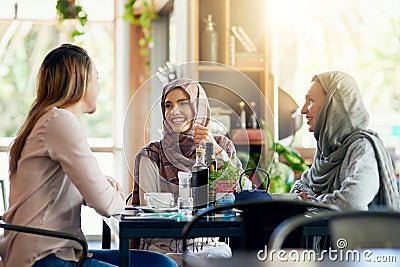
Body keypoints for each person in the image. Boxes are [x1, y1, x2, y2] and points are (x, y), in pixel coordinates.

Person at [0, 44, 177, 267]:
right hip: (43, 258)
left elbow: (55, 189)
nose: (99, 87)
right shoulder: (59, 122)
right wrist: (111, 195)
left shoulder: (47, 120)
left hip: (56, 251)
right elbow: (106, 205)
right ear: (80, 81)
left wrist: (100, 185)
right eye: (97, 78)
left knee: (160, 264)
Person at [131, 78, 243, 257]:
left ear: (198, 108)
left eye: (183, 103)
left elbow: (241, 191)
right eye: (168, 105)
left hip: (210, 248)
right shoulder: (151, 155)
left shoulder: (222, 145)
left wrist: (216, 150)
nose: (174, 110)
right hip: (163, 251)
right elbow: (151, 217)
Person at [290, 71, 399, 210]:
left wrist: (312, 201)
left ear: (333, 104)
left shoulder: (363, 148)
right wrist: (318, 200)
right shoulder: (326, 150)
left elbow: (352, 202)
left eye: (310, 100)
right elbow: (298, 189)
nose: (303, 110)